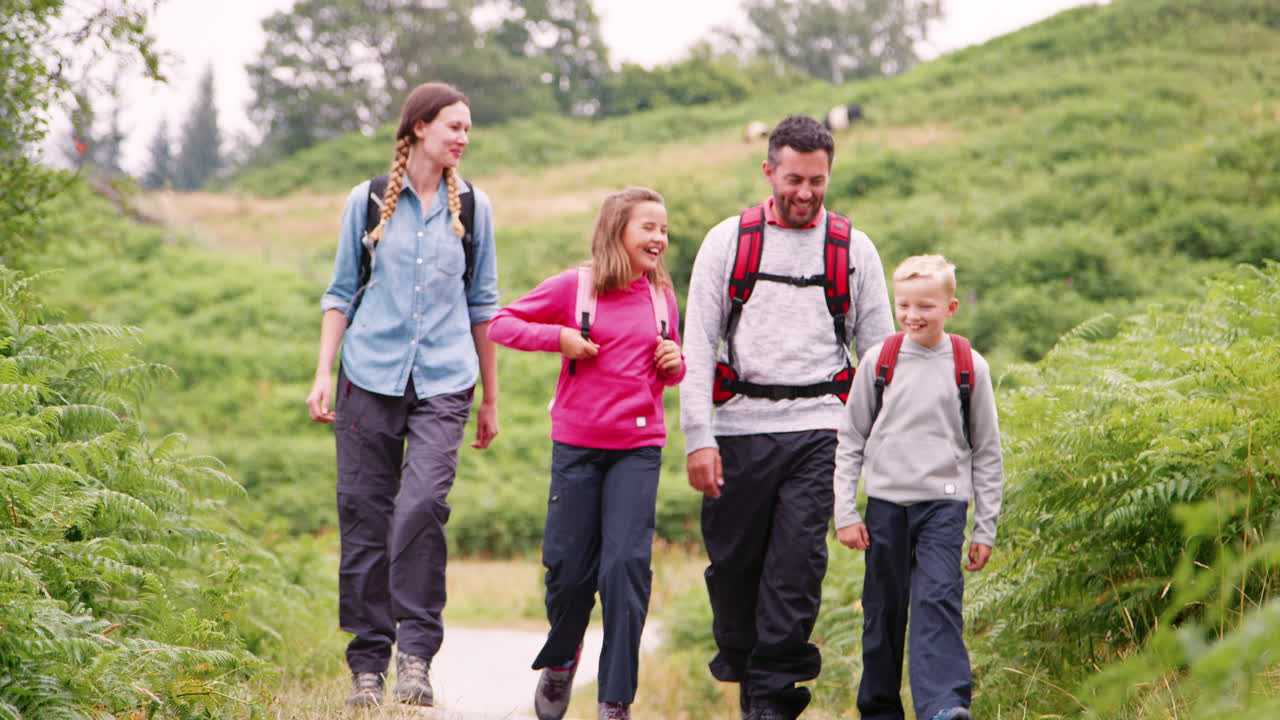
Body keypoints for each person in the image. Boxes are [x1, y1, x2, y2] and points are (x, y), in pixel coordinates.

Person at [680, 114, 894, 720]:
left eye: (818, 181)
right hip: (737, 432)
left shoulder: (853, 249)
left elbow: (879, 357)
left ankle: (773, 700)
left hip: (821, 429)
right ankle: (754, 681)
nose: (805, 193)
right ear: (769, 171)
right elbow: (698, 347)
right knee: (734, 572)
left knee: (797, 568)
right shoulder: (729, 242)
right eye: (794, 179)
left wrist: (875, 448)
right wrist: (699, 438)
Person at [305, 82, 500, 708]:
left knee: (421, 507)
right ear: (418, 128)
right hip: (369, 375)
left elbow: (483, 306)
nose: (464, 138)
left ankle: (415, 657)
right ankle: (368, 665)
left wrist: (490, 398)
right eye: (454, 127)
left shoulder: (475, 206)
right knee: (364, 517)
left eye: (468, 129)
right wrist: (322, 374)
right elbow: (340, 292)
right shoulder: (365, 203)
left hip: (446, 378)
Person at [488, 187, 684, 720]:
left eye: (664, 230)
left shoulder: (661, 297)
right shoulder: (575, 287)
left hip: (638, 448)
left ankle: (614, 700)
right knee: (569, 570)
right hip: (576, 446)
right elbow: (501, 323)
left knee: (626, 569)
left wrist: (674, 361)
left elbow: (673, 371)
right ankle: (562, 659)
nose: (660, 239)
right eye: (649, 228)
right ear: (617, 229)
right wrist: (560, 339)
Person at [833, 254, 1005, 720]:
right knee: (883, 612)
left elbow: (987, 451)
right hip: (885, 506)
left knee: (937, 602)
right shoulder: (879, 361)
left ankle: (944, 706)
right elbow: (850, 438)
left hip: (944, 509)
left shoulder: (970, 366)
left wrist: (985, 528)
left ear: (950, 307)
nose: (913, 315)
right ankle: (880, 708)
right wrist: (846, 511)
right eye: (904, 304)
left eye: (925, 305)